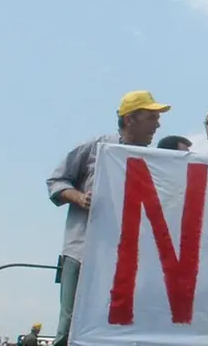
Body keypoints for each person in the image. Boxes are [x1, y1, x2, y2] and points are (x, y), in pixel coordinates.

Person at [46, 90, 170, 346]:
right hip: (82, 252)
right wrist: (79, 198)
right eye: (151, 117)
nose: (158, 124)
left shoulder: (158, 161)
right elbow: (56, 180)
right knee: (69, 326)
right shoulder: (95, 148)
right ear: (129, 119)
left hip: (129, 259)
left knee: (117, 328)